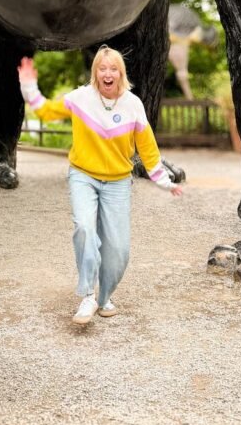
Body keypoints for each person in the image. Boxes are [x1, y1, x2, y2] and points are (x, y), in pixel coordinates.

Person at [18, 46, 184, 326]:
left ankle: (105, 296)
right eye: (102, 68)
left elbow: (148, 148)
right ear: (95, 72)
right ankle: (87, 296)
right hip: (83, 175)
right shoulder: (81, 98)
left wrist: (165, 182)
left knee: (118, 249)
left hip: (118, 181)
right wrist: (28, 84)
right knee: (84, 227)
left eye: (113, 68)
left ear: (121, 73)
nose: (108, 73)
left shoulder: (132, 104)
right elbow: (45, 111)